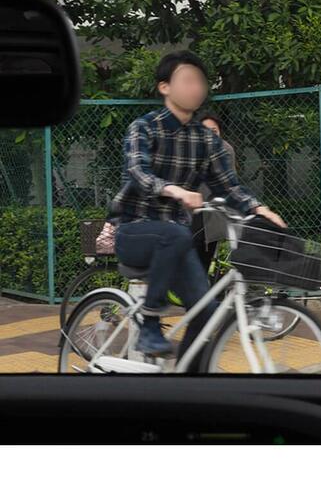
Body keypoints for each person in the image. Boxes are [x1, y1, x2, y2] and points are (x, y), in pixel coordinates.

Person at [109, 50, 285, 360]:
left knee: (207, 311)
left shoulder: (205, 138)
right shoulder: (144, 127)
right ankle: (150, 323)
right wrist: (175, 191)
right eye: (187, 80)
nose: (195, 88)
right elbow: (138, 173)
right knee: (175, 233)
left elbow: (227, 184)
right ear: (165, 87)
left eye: (200, 82)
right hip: (133, 230)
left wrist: (258, 209)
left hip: (173, 240)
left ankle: (186, 380)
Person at [192, 111, 236, 273]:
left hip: (212, 212)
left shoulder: (226, 150)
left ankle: (201, 292)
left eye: (214, 131)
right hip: (188, 210)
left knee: (204, 257)